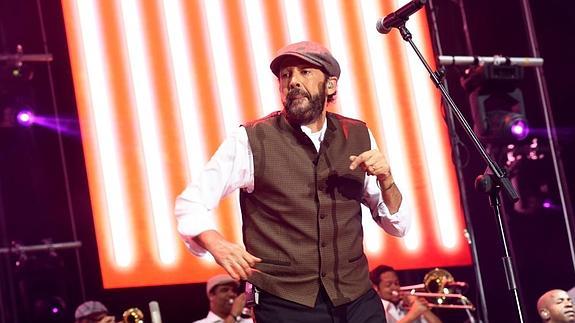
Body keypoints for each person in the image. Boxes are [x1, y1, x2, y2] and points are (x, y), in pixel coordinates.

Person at [175, 40, 410, 322]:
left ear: (331, 85)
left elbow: (397, 225)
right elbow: (191, 203)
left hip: (356, 300)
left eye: (305, 72)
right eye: (286, 75)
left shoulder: (358, 135)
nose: (293, 81)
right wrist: (215, 242)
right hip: (286, 304)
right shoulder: (252, 139)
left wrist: (387, 179)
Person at [369, 265, 442, 323]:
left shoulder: (407, 307)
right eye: (388, 285)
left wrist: (424, 309)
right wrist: (413, 313)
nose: (395, 287)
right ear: (376, 288)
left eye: (396, 283)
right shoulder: (374, 309)